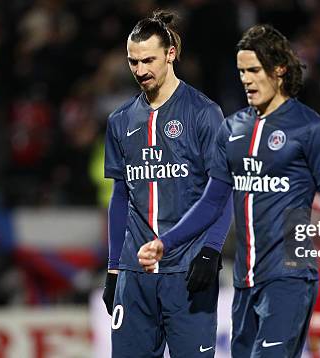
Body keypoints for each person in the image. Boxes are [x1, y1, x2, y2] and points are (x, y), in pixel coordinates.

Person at [138, 24, 320, 358]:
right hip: (245, 284)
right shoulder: (232, 129)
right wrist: (165, 242)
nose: (246, 79)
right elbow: (212, 202)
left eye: (254, 70)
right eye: (242, 71)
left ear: (279, 70)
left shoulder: (313, 130)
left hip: (290, 281)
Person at [102, 10, 232, 358]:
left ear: (170, 54)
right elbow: (119, 197)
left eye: (148, 60)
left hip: (188, 272)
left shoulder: (204, 113)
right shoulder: (119, 121)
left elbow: (223, 191)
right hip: (135, 275)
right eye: (133, 61)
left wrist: (211, 250)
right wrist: (114, 268)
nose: (140, 70)